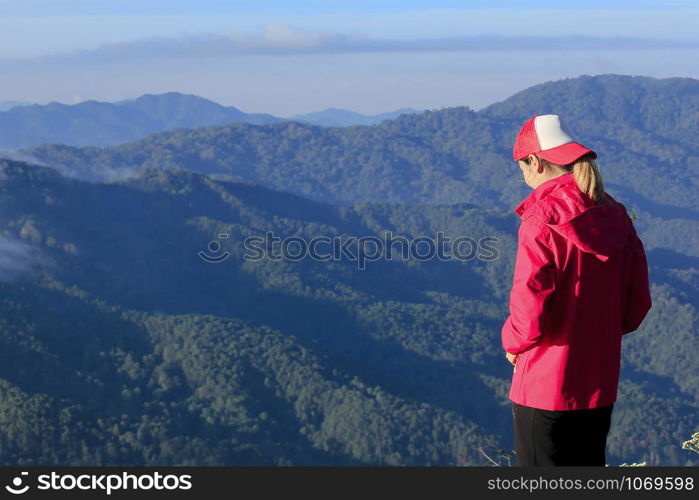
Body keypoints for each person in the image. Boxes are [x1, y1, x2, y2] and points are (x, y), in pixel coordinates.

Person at [501, 114, 652, 466]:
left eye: (521, 165)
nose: (522, 174)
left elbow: (530, 313)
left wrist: (512, 343)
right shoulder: (615, 214)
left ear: (535, 161)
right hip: (598, 382)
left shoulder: (540, 219)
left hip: (544, 384)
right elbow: (637, 304)